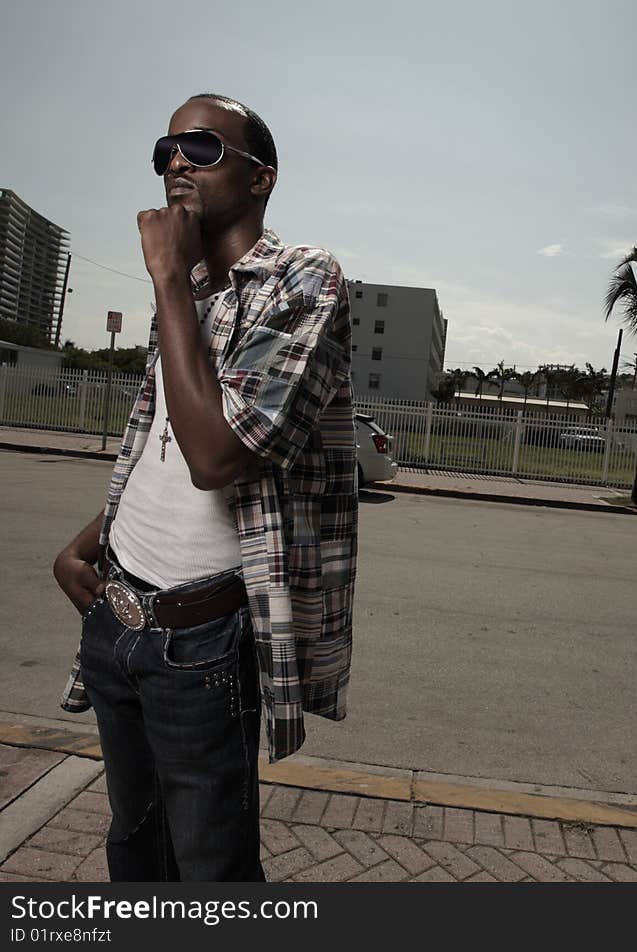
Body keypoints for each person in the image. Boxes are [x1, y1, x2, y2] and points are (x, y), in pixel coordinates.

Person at [53, 94, 357, 882]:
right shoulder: (184, 289)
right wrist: (85, 546)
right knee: (135, 844)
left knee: (211, 865)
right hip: (116, 614)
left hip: (202, 639)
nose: (176, 161)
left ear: (262, 177)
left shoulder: (303, 280)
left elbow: (216, 458)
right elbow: (158, 449)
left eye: (201, 146)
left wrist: (166, 282)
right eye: (165, 150)